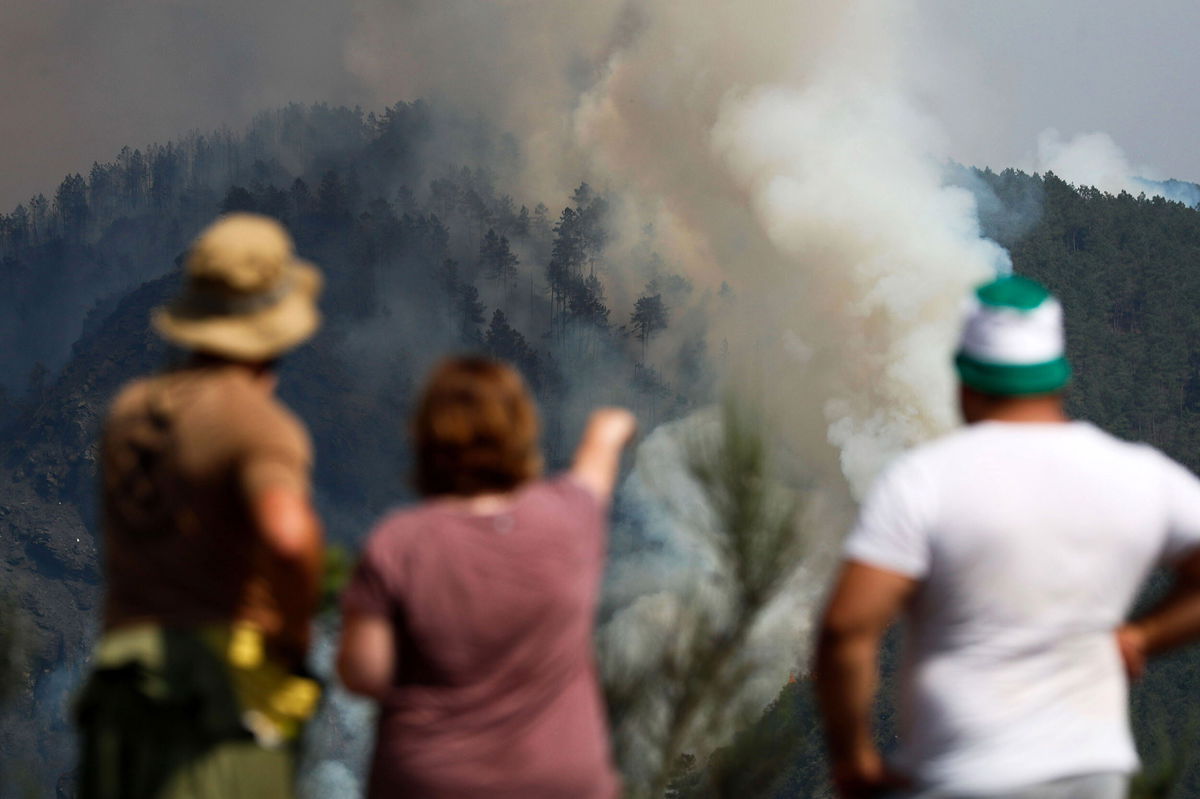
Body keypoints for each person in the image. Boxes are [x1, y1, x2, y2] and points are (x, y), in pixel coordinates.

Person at [816, 275, 1200, 799]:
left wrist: (853, 755)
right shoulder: (1142, 475)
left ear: (964, 381)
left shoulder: (924, 480)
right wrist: (1141, 637)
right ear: (1058, 377)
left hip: (965, 774)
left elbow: (846, 627)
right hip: (1091, 774)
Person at [77, 213, 325, 799]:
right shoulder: (258, 424)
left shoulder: (128, 412)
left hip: (119, 685)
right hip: (210, 693)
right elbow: (288, 536)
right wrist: (292, 634)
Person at [337, 356, 635, 799]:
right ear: (519, 434)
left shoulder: (398, 543)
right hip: (561, 783)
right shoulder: (570, 518)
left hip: (435, 781)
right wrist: (611, 427)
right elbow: (595, 468)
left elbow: (364, 673)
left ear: (427, 439)